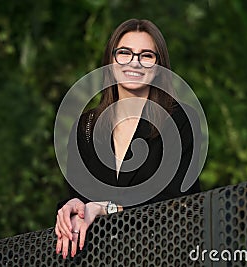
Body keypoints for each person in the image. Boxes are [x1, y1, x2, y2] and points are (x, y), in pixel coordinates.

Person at [55, 18, 202, 259]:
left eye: (146, 55)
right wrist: (72, 209)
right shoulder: (85, 127)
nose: (134, 62)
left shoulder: (180, 119)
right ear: (110, 60)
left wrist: (107, 209)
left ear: (159, 66)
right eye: (124, 53)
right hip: (100, 259)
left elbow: (176, 203)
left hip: (166, 256)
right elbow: (79, 197)